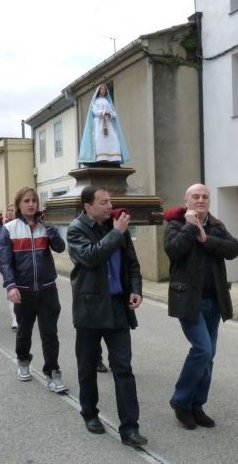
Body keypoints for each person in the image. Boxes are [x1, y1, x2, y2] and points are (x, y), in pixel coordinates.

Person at [67, 185, 147, 448]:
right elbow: (92, 256)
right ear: (87, 207)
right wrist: (117, 233)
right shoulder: (76, 229)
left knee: (123, 367)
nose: (109, 205)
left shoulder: (116, 226)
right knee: (87, 366)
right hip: (90, 308)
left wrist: (135, 289)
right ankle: (89, 413)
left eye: (110, 200)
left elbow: (132, 264)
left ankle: (130, 428)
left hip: (117, 307)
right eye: (102, 202)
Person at [163, 184, 238, 430]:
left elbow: (233, 249)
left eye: (205, 196)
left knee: (209, 357)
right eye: (195, 196)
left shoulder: (216, 226)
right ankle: (181, 401)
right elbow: (173, 251)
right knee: (203, 350)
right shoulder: (175, 225)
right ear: (186, 201)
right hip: (189, 301)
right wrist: (190, 226)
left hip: (214, 301)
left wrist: (206, 239)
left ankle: (197, 405)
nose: (201, 200)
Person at [0, 188, 68, 392]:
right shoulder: (9, 229)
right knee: (24, 332)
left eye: (34, 201)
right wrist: (11, 286)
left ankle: (53, 373)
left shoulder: (45, 227)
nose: (31, 204)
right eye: (26, 201)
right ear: (19, 205)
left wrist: (50, 228)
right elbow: (5, 262)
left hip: (47, 289)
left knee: (50, 334)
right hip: (23, 290)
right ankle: (23, 360)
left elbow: (60, 248)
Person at [77, 84, 131, 166]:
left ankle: (112, 158)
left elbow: (114, 113)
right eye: (101, 89)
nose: (103, 91)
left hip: (108, 123)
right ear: (99, 91)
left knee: (114, 139)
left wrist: (109, 114)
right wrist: (102, 113)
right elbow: (94, 111)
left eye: (104, 89)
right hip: (99, 123)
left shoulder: (107, 102)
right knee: (98, 139)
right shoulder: (95, 101)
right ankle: (100, 158)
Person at [0, 203, 18, 330]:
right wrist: (4, 226)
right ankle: (14, 318)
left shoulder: (21, 224)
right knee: (11, 288)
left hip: (20, 262)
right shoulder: (1, 226)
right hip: (6, 263)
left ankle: (20, 315)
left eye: (12, 210)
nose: (10, 212)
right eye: (8, 210)